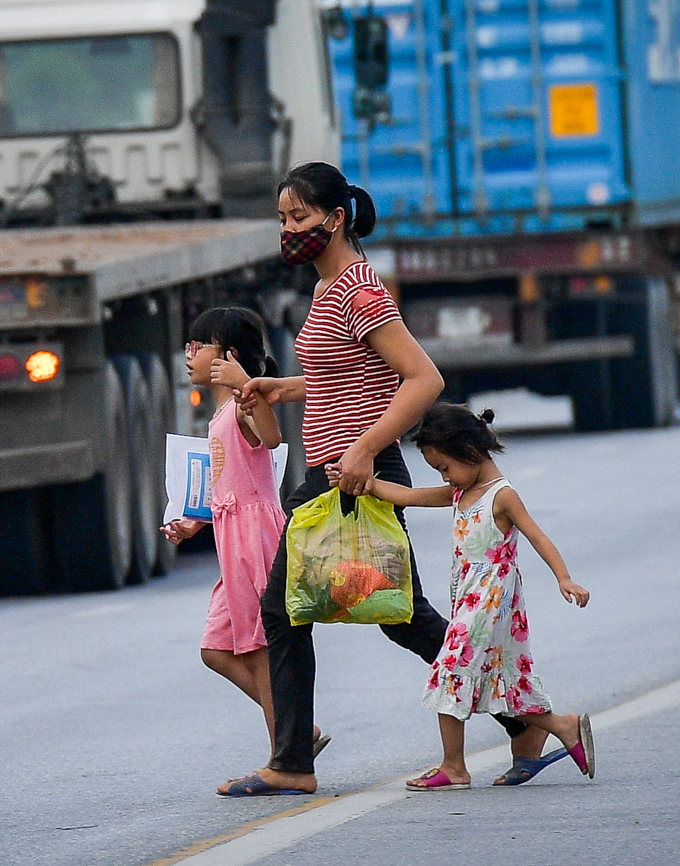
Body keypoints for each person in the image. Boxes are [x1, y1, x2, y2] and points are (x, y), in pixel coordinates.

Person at [218, 161, 547, 798]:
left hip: (352, 472)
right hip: (339, 469)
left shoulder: (360, 291)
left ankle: (291, 762)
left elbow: (424, 378)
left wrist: (366, 450)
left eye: (300, 217)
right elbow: (344, 375)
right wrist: (282, 388)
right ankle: (529, 721)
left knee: (286, 613)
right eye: (283, 219)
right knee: (400, 619)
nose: (289, 230)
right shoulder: (327, 289)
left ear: (335, 218)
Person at [331, 402, 594, 790]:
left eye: (445, 467)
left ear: (470, 451)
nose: (445, 477)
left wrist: (565, 578)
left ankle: (454, 767)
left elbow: (537, 536)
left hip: (491, 601)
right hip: (471, 599)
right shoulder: (460, 491)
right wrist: (362, 483)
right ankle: (561, 725)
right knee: (501, 679)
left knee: (449, 672)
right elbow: (408, 496)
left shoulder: (501, 495)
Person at [162, 308, 330, 762]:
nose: (189, 356)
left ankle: (287, 752)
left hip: (254, 537)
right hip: (229, 533)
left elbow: (272, 439)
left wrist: (245, 388)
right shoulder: (219, 414)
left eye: (198, 347)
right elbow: (226, 483)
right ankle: (298, 729)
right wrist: (194, 522)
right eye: (188, 348)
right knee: (216, 649)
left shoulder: (242, 406)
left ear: (229, 356)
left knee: (258, 649)